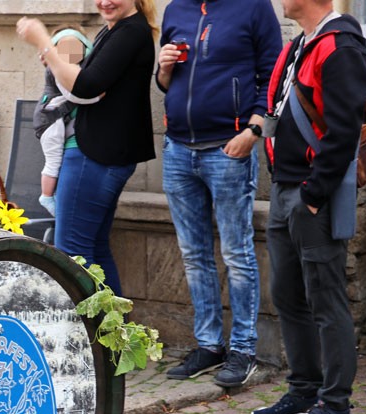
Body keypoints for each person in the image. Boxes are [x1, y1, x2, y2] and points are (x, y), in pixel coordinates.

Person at [250, 0, 366, 414]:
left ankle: (336, 405)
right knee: (287, 294)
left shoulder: (340, 47)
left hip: (311, 194)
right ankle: (304, 389)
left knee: (326, 299)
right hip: (287, 188)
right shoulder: (300, 44)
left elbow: (343, 131)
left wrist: (314, 194)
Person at [157, 0, 283, 389]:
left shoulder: (254, 7)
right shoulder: (175, 9)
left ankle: (243, 350)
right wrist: (163, 68)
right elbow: (166, 83)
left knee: (237, 253)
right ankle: (209, 345)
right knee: (194, 255)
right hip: (178, 149)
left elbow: (273, 78)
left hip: (228, 149)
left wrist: (254, 131)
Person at [17, 0, 157, 297]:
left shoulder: (130, 32)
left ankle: (91, 327)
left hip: (94, 154)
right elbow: (85, 81)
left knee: (73, 252)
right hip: (101, 152)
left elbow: (86, 86)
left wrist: (44, 42)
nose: (105, 1)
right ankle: (114, 327)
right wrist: (56, 61)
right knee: (94, 248)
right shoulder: (117, 30)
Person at [32, 27, 100, 217]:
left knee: (57, 161)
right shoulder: (60, 70)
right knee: (53, 160)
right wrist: (97, 96)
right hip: (50, 120)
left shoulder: (73, 67)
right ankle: (46, 196)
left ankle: (53, 194)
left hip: (56, 120)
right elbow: (75, 95)